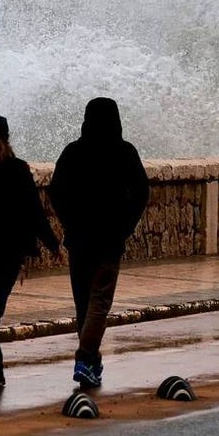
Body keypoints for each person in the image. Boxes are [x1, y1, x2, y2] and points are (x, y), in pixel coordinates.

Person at [47, 97, 149, 388]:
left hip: (79, 241)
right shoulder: (125, 152)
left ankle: (91, 361)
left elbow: (55, 191)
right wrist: (124, 226)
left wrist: (70, 221)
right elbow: (141, 192)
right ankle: (85, 357)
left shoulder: (73, 152)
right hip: (109, 241)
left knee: (84, 304)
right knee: (99, 303)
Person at [0, 113, 60, 395]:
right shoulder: (17, 169)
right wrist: (52, 244)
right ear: (7, 137)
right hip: (8, 252)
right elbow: (34, 211)